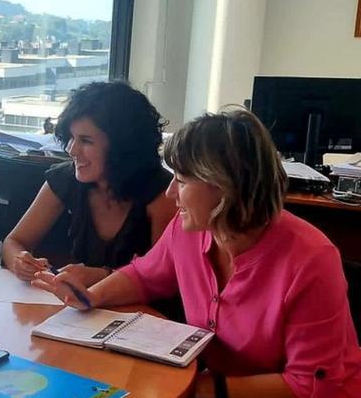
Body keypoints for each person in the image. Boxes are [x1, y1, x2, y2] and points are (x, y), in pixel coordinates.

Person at [33, 108, 361, 397]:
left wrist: (205, 390)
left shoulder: (311, 259)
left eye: (182, 180)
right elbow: (143, 276)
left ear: (225, 188)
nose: (170, 192)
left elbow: (315, 384)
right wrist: (89, 297)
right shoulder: (189, 229)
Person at [2, 81, 176, 286]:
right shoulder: (67, 178)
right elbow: (13, 242)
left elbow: (164, 281)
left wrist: (104, 276)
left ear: (122, 147)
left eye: (86, 141)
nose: (72, 150)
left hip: (140, 313)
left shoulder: (164, 194)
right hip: (84, 309)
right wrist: (20, 261)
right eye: (72, 138)